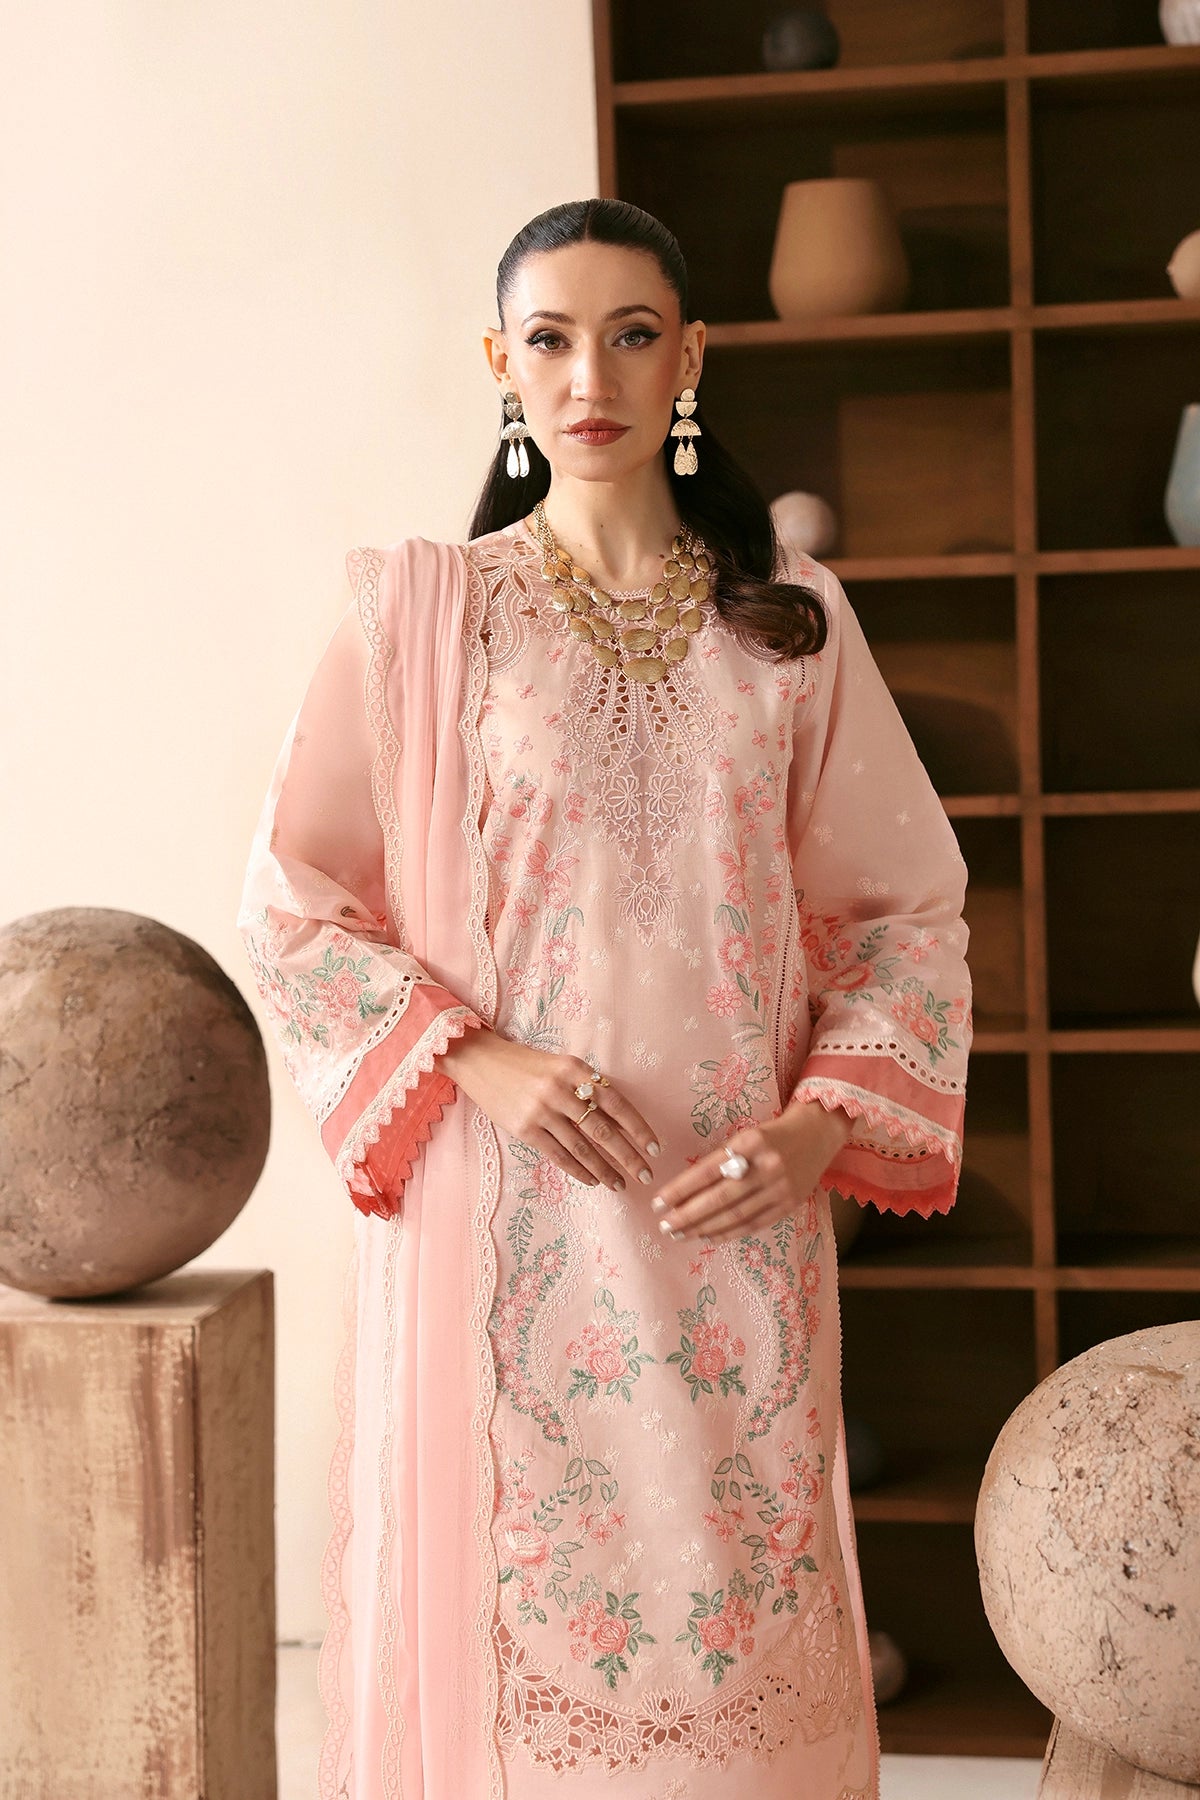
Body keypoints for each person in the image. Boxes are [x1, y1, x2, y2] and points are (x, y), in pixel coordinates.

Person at [237, 197, 972, 1800]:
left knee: (737, 1639)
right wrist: (479, 1060)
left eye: (633, 334)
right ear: (505, 365)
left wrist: (818, 1127)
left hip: (730, 1224)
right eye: (553, 339)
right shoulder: (428, 618)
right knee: (520, 1638)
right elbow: (297, 904)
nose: (594, 375)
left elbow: (902, 913)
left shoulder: (790, 627)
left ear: (688, 358)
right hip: (510, 1227)